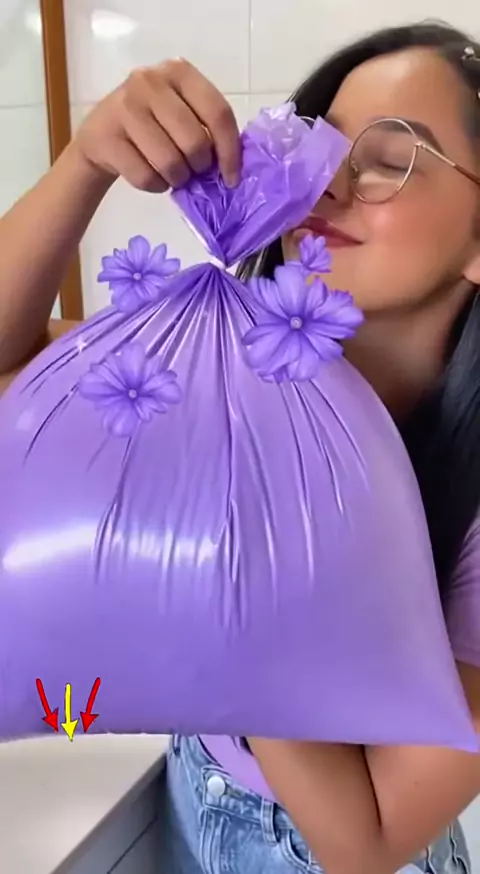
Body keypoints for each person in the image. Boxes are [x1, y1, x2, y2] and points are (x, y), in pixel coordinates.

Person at [0, 18, 479, 874]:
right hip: (192, 786)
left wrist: (255, 540)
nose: (329, 184)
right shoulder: (219, 368)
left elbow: (364, 842)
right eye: (321, 148)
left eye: (389, 157)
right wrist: (86, 162)